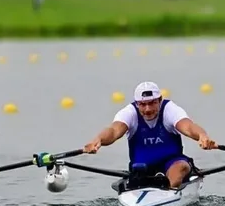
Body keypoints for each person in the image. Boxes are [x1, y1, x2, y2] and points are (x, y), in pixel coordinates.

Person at [83, 81, 217, 188]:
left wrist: (202, 136)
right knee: (139, 171)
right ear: (137, 103)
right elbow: (113, 131)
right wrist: (98, 139)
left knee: (180, 167)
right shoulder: (129, 113)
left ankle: (170, 190)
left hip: (172, 163)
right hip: (142, 167)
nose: (148, 109)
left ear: (159, 100)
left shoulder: (170, 110)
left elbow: (188, 126)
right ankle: (158, 188)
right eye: (143, 104)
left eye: (152, 103)